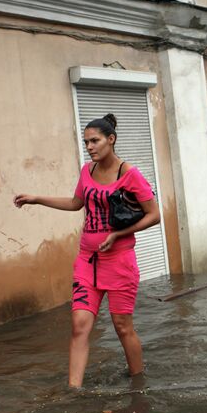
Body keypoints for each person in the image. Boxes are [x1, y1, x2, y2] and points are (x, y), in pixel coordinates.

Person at [14, 113, 161, 388]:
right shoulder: (87, 171)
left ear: (111, 140)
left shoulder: (129, 174)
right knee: (79, 325)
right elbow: (75, 203)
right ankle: (74, 391)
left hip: (119, 263)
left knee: (122, 327)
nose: (90, 147)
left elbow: (154, 215)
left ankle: (138, 384)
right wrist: (37, 199)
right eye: (86, 142)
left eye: (95, 141)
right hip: (87, 261)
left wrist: (118, 233)